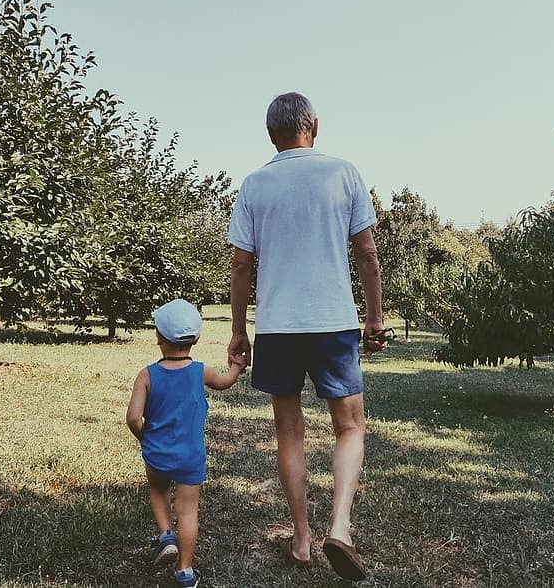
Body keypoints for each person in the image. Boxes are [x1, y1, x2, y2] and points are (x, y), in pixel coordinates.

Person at [226, 92, 386, 581]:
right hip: (333, 321)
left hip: (277, 324)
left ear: (271, 135)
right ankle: (339, 525)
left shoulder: (255, 184)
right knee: (350, 425)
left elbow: (240, 265)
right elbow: (367, 254)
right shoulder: (344, 173)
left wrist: (238, 332)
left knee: (289, 431)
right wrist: (375, 318)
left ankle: (301, 540)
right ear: (314, 125)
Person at [127, 298, 245, 588]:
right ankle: (185, 571)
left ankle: (166, 535)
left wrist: (147, 438)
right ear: (197, 338)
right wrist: (237, 366)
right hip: (191, 456)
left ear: (158, 337)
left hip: (157, 454)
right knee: (189, 511)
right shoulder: (201, 371)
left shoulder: (148, 374)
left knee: (158, 490)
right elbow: (225, 381)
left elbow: (132, 418)